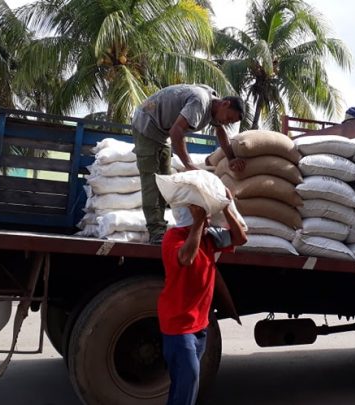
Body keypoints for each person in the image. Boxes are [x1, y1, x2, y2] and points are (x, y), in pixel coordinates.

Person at [157, 190, 247, 405]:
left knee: (184, 384)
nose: (207, 219)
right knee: (189, 381)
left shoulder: (208, 238)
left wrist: (226, 207)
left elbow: (240, 238)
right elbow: (187, 258)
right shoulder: (173, 238)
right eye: (202, 215)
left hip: (200, 324)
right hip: (179, 327)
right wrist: (198, 223)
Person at [132, 84, 246, 244]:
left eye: (230, 122)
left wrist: (231, 158)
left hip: (162, 133)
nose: (225, 122)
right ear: (225, 103)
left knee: (164, 181)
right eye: (228, 118)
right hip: (146, 123)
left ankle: (160, 227)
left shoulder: (214, 108)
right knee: (151, 181)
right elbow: (176, 131)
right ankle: (156, 232)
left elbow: (221, 132)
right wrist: (189, 164)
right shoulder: (200, 102)